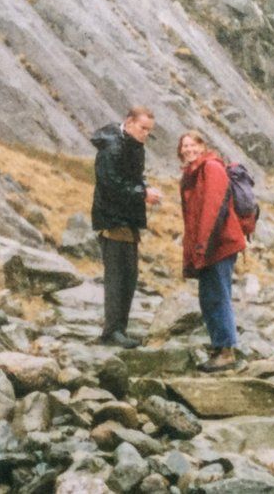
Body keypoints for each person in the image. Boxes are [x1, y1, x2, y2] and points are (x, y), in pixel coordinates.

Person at [91, 106, 162, 348]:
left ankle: (119, 328)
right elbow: (111, 184)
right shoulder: (112, 148)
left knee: (129, 276)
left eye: (149, 131)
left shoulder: (132, 145)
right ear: (129, 122)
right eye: (143, 128)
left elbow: (131, 178)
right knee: (117, 276)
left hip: (127, 220)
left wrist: (142, 186)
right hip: (112, 220)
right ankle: (112, 331)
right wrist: (143, 193)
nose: (145, 134)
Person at [178, 131, 246, 372]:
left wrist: (202, 247)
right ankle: (219, 346)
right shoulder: (192, 174)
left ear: (202, 146)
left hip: (219, 243)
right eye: (184, 146)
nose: (188, 150)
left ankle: (226, 351)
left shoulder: (211, 168)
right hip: (210, 245)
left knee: (217, 295)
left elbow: (213, 210)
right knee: (209, 296)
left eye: (193, 145)